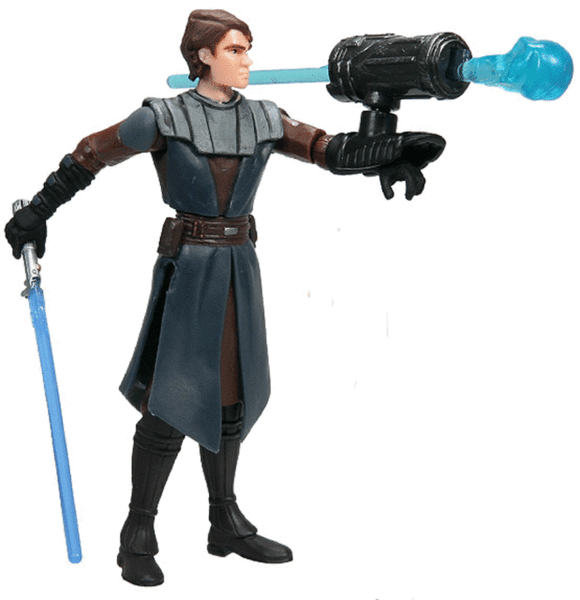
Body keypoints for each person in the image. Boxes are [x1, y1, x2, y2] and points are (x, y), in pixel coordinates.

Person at [4, 9, 444, 586]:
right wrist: (39, 210)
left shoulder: (265, 117)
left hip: (240, 265)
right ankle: (138, 532)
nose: (247, 60)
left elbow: (328, 149)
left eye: (248, 48)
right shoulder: (161, 117)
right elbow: (91, 153)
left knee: (234, 392)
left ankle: (224, 520)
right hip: (190, 268)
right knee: (170, 398)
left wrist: (390, 148)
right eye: (235, 49)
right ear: (203, 56)